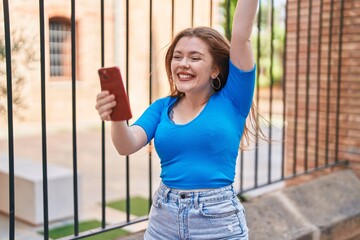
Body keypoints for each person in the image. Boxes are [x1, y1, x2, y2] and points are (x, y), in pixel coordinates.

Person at [96, 0, 258, 239]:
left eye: (195, 58)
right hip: (164, 219)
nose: (183, 64)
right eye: (178, 56)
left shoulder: (234, 99)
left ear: (215, 69)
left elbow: (241, 36)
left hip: (217, 222)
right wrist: (115, 116)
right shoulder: (162, 107)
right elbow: (126, 144)